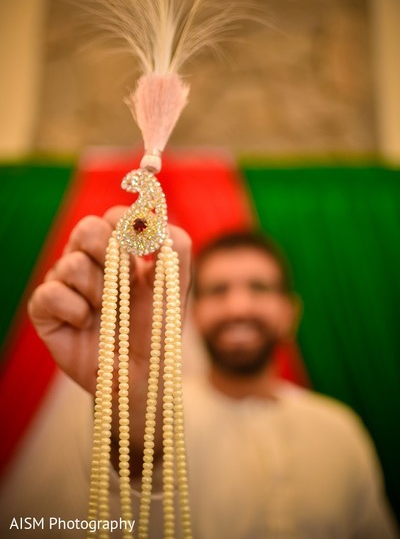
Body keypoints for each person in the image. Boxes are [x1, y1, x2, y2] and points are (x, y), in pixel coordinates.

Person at [1, 206, 398, 538]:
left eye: (259, 288)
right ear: (194, 314)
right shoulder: (154, 412)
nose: (239, 307)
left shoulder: (339, 428)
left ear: (289, 314)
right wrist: (135, 424)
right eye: (218, 291)